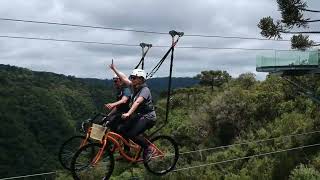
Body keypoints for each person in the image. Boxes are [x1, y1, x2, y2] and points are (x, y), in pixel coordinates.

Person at [109, 62, 156, 161]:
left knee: (132, 134)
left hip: (148, 117)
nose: (132, 79)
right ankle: (127, 152)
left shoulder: (145, 90)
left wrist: (128, 113)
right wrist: (114, 69)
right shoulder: (133, 87)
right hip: (139, 116)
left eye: (134, 77)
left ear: (141, 79)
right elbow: (124, 79)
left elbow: (138, 102)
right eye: (132, 77)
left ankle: (148, 148)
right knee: (121, 129)